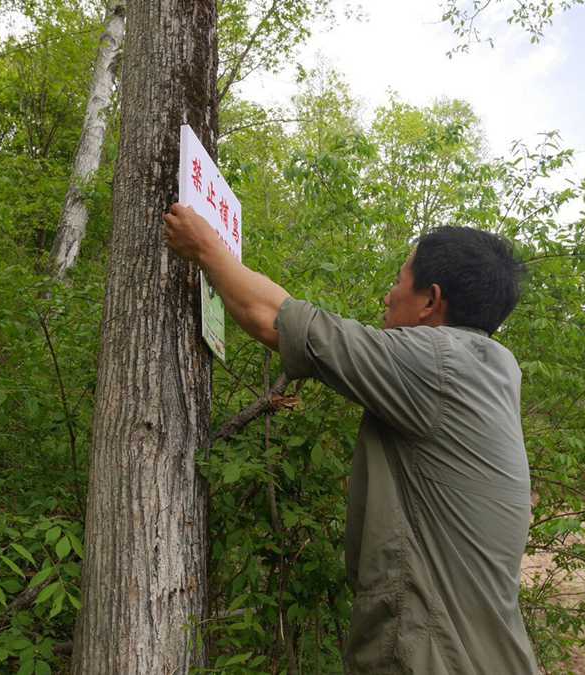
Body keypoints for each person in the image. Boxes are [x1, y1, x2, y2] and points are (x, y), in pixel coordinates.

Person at [162, 203, 539, 674]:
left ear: (430, 300)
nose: (387, 295)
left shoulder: (436, 363)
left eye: (400, 280)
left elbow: (272, 318)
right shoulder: (494, 372)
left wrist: (205, 248)